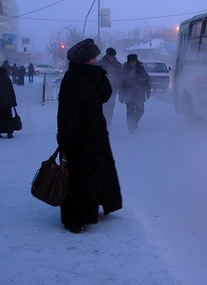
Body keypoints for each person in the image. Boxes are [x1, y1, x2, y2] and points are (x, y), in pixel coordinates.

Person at [57, 38, 122, 234]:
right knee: (79, 179)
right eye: (93, 57)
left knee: (98, 173)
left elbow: (105, 96)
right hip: (79, 138)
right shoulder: (72, 78)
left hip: (96, 135)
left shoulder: (93, 75)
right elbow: (66, 113)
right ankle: (74, 219)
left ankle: (98, 205)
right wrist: (66, 141)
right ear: (85, 60)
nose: (96, 60)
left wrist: (100, 75)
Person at [119, 54, 151, 133]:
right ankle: (131, 128)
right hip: (128, 94)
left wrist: (148, 91)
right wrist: (121, 95)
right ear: (129, 62)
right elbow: (121, 84)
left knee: (141, 110)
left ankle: (134, 122)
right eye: (132, 62)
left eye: (135, 62)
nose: (133, 63)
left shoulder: (141, 69)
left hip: (139, 93)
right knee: (130, 111)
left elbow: (147, 80)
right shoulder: (125, 70)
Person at [97, 47, 122, 131]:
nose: (111, 58)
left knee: (110, 110)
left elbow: (120, 77)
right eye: (110, 56)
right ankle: (101, 128)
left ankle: (107, 128)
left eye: (113, 56)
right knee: (102, 110)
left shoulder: (118, 65)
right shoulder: (100, 64)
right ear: (107, 55)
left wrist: (117, 84)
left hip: (113, 91)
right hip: (101, 90)